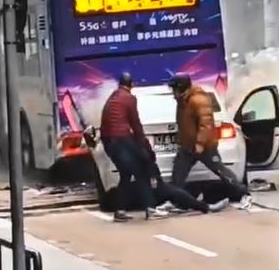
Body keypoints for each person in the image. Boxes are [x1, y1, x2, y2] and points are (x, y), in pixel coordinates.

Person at [168, 75, 252, 208]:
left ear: (181, 88)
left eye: (174, 89)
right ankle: (173, 200)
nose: (173, 92)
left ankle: (243, 193)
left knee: (220, 171)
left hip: (205, 146)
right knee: (178, 175)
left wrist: (200, 143)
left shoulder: (198, 100)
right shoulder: (182, 101)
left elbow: (206, 124)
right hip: (188, 146)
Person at [100, 72, 161, 221]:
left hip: (109, 141)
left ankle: (120, 210)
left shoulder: (113, 97)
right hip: (120, 139)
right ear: (131, 85)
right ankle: (151, 209)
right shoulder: (129, 98)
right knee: (140, 171)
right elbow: (136, 124)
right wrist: (145, 146)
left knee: (126, 174)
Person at [143, 155, 230, 216]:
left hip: (148, 173)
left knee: (173, 191)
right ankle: (205, 207)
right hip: (146, 174)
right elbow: (142, 154)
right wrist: (152, 175)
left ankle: (204, 206)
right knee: (171, 191)